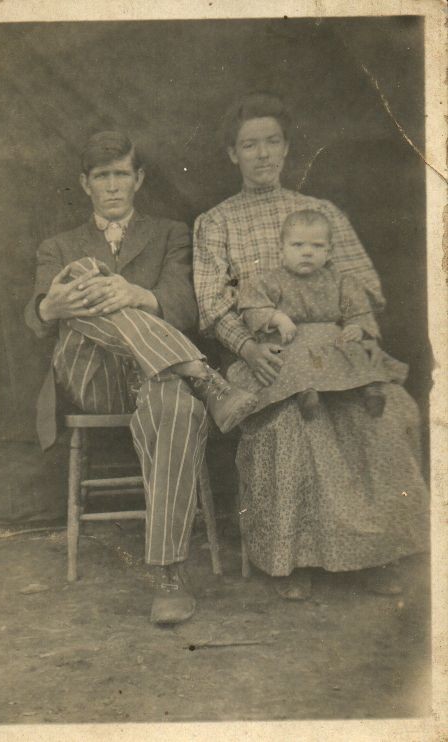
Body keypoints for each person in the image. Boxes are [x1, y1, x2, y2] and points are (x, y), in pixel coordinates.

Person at [193, 92, 429, 600]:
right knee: (293, 423)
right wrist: (249, 349)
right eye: (249, 145)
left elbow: (364, 289)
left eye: (272, 141)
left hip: (335, 352)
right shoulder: (216, 222)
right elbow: (212, 308)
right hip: (264, 355)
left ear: (286, 147)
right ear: (232, 153)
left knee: (386, 411)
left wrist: (355, 334)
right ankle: (294, 559)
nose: (262, 154)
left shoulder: (321, 213)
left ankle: (373, 551)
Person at [25, 130, 255, 626]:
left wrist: (136, 294)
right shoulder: (57, 245)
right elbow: (38, 318)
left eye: (121, 174)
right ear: (85, 184)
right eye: (102, 176)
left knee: (178, 408)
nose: (112, 186)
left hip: (154, 378)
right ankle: (201, 374)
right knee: (82, 274)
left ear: (139, 179)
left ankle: (169, 574)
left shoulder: (171, 233)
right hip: (92, 376)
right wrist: (48, 307)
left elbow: (187, 306)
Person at [230, 208, 408, 420]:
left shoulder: (339, 281)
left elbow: (356, 309)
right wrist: (278, 318)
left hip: (332, 340)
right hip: (293, 339)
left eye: (317, 246)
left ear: (329, 252)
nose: (307, 252)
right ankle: (306, 394)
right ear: (281, 249)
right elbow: (253, 307)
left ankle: (370, 389)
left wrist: (356, 326)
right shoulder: (271, 281)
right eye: (297, 245)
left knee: (357, 349)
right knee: (292, 360)